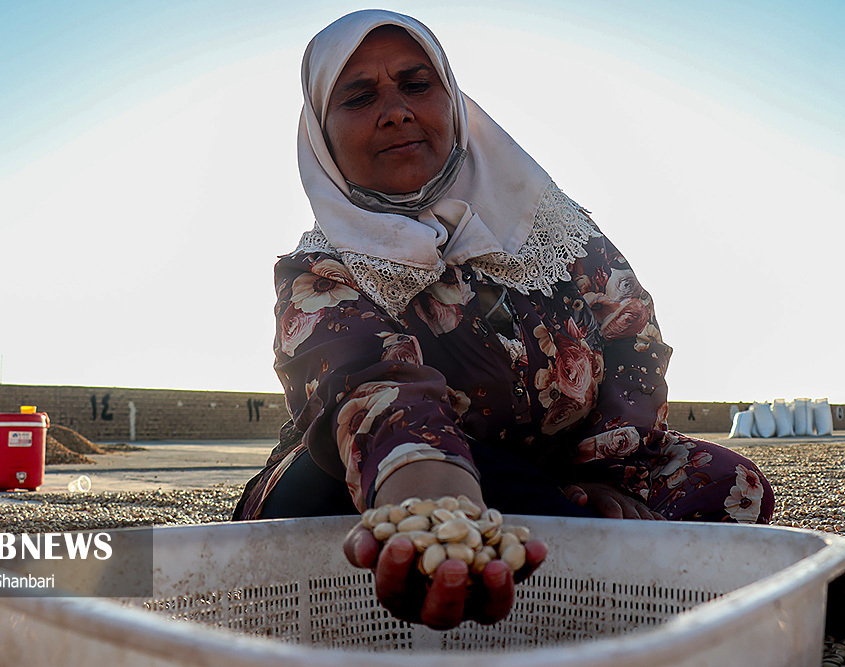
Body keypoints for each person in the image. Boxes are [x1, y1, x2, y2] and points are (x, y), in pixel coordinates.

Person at [233, 9, 774, 631]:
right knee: (320, 505)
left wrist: (602, 478)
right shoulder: (321, 272)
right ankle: (569, 565)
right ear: (321, 134)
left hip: (567, 468)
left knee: (728, 481)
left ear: (453, 101)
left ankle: (567, 549)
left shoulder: (548, 226)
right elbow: (372, 389)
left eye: (416, 83)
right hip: (404, 472)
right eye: (359, 96)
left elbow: (633, 337)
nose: (396, 110)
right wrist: (438, 512)